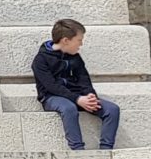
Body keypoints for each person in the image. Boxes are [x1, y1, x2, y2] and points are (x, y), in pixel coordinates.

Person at [35, 18, 122, 151]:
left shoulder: (75, 57)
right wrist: (77, 99)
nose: (81, 44)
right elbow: (51, 86)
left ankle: (106, 150)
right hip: (52, 97)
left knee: (112, 110)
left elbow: (84, 79)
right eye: (79, 40)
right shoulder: (41, 60)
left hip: (80, 97)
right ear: (66, 40)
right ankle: (78, 150)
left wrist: (90, 96)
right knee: (69, 108)